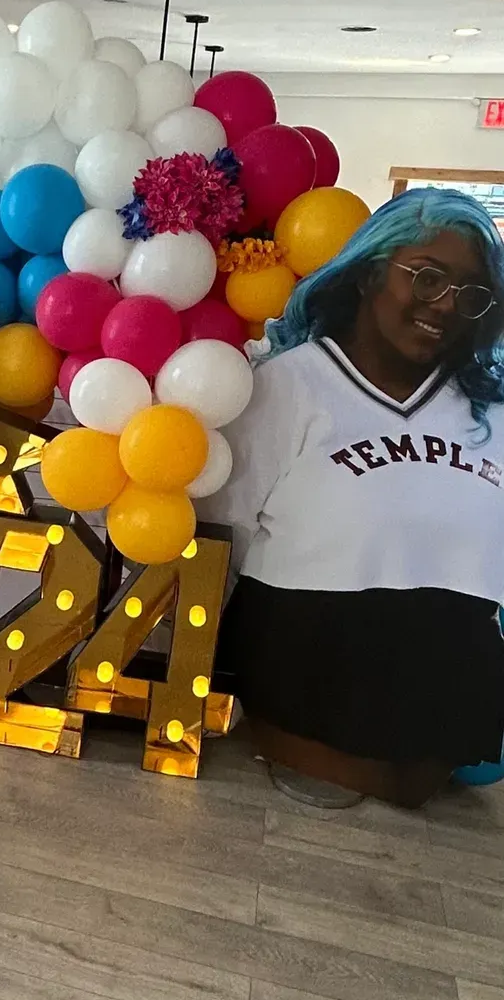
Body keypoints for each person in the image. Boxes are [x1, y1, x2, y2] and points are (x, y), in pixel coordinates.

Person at [209, 187, 504, 809]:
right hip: (300, 718)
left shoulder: (490, 414)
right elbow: (219, 538)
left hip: (443, 752)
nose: (447, 305)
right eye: (427, 279)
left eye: (471, 294)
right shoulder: (286, 388)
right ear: (373, 272)